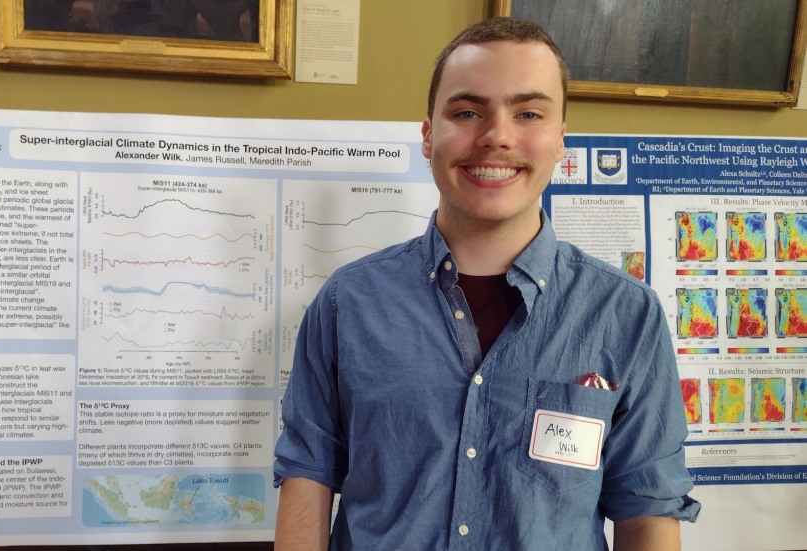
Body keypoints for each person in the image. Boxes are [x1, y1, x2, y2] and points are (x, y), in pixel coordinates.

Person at [273, 16, 700, 550]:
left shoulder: (625, 313)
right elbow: (307, 475)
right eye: (468, 111)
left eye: (528, 112)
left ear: (561, 139)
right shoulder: (347, 302)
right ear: (428, 135)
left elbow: (649, 510)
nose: (497, 135)